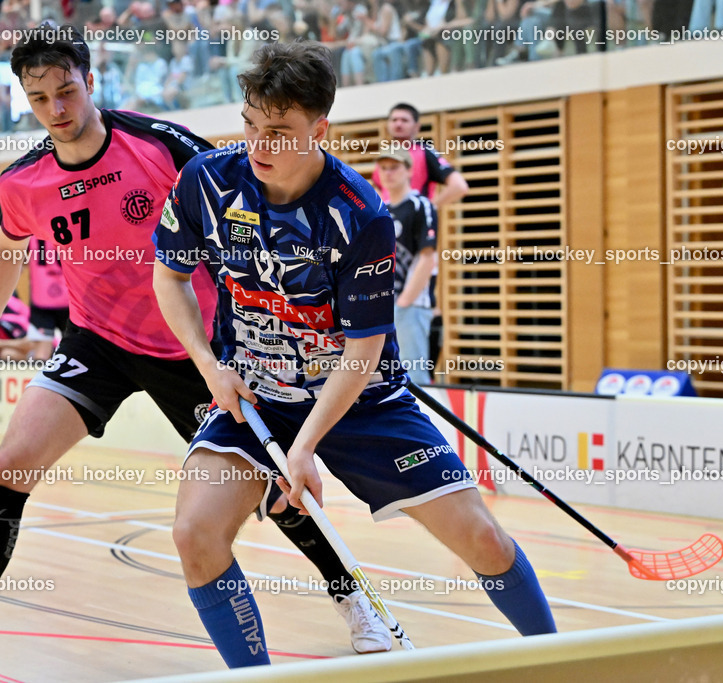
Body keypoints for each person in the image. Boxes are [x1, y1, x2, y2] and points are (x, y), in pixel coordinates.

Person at [0, 26, 390, 683]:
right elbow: (9, 247)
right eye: (39, 99)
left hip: (197, 344)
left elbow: (245, 198)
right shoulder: (24, 179)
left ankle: (353, 596)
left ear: (90, 81)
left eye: (66, 91)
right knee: (10, 463)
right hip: (98, 339)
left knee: (269, 480)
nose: (56, 108)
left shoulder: (160, 144)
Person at [152, 40, 557, 669]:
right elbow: (169, 277)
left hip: (362, 400)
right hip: (258, 396)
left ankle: (558, 662)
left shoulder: (359, 212)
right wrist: (211, 366)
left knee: (481, 537)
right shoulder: (207, 181)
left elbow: (363, 349)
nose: (259, 145)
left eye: (280, 131)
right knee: (194, 534)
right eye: (251, 125)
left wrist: (305, 448)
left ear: (321, 128)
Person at [373, 102, 470, 374]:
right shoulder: (384, 161)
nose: (398, 124)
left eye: (405, 119)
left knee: (421, 305)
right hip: (394, 257)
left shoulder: (423, 154)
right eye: (394, 119)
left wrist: (428, 209)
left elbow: (459, 186)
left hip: (418, 243)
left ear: (416, 126)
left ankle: (428, 369)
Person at [376, 150, 437, 385]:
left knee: (415, 374)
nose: (389, 173)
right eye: (384, 168)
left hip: (411, 304)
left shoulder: (421, 205)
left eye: (395, 167)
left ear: (410, 170)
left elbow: (427, 256)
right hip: (383, 303)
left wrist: (403, 302)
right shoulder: (380, 209)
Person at [25, 238, 68, 361]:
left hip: (41, 297)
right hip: (69, 298)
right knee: (73, 350)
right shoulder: (74, 224)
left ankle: (39, 380)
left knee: (41, 353)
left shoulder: (32, 227)